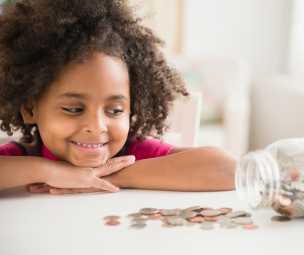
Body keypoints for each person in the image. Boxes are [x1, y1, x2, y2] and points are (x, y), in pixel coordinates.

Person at [0, 0, 236, 195]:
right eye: (73, 109)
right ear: (30, 109)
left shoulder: (131, 155)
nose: (96, 126)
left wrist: (105, 177)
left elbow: (229, 170)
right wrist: (51, 172)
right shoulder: (23, 157)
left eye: (114, 111)